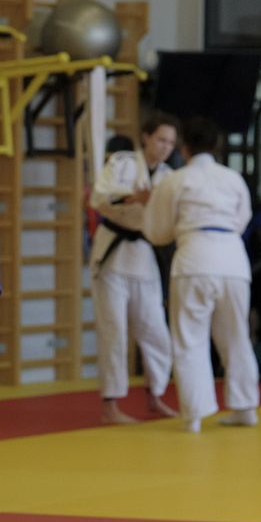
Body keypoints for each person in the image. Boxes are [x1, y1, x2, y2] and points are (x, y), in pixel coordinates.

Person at [143, 116, 258, 432]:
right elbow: (242, 218)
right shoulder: (233, 179)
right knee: (236, 337)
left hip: (194, 259)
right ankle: (246, 407)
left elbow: (156, 231)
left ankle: (194, 414)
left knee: (190, 338)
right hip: (233, 261)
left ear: (184, 148)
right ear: (216, 146)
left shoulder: (175, 180)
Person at [88, 113, 180, 424]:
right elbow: (98, 198)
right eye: (161, 139)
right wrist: (133, 198)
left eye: (170, 143)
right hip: (112, 255)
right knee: (113, 330)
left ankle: (156, 395)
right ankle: (109, 405)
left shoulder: (170, 177)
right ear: (146, 137)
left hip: (144, 254)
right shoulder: (122, 163)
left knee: (156, 331)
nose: (165, 147)